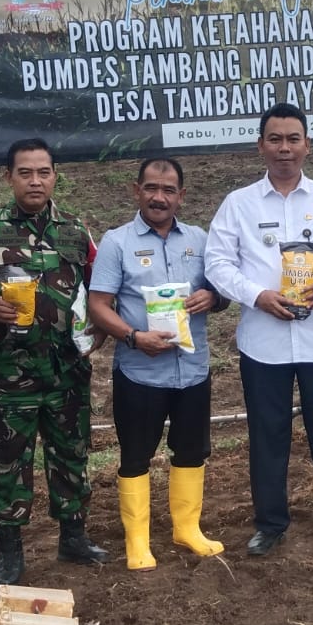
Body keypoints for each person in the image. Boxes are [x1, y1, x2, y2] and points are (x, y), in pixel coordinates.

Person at [206, 103, 313, 555]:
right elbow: (218, 263)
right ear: (260, 145)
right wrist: (257, 295)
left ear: (307, 145)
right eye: (275, 139)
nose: (284, 148)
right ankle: (270, 524)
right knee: (267, 436)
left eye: (293, 139)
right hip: (264, 344)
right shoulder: (238, 204)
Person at [0, 138, 109, 590]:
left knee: (71, 455)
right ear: (9, 177)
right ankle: (10, 552)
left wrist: (99, 329)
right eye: (25, 173)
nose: (35, 181)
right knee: (7, 463)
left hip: (67, 372)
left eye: (43, 172)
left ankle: (73, 538)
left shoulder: (75, 230)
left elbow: (100, 289)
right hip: (8, 374)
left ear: (55, 175)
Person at [87, 157, 228, 570]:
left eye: (168, 190)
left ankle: (187, 529)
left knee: (191, 451)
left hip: (192, 370)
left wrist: (213, 297)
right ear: (137, 191)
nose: (159, 198)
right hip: (140, 372)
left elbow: (222, 291)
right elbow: (99, 305)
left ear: (181, 196)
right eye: (151, 188)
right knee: (136, 455)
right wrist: (133, 337)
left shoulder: (200, 239)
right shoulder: (117, 242)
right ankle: (138, 541)